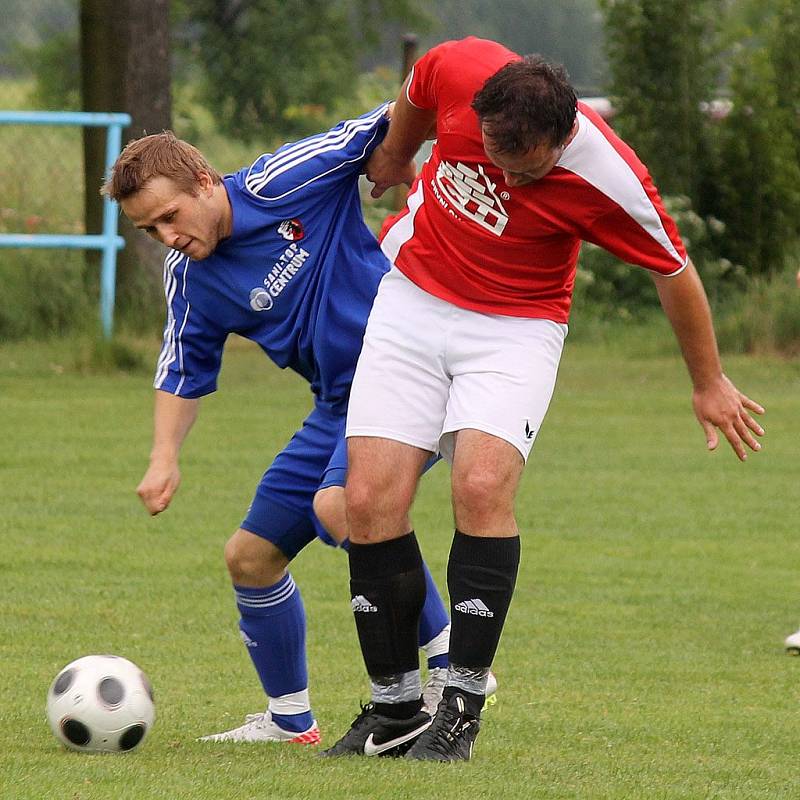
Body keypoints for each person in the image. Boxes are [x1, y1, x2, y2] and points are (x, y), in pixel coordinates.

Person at [322, 37, 765, 761]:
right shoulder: (465, 72)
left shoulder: (610, 177)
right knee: (367, 501)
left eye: (527, 169)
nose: (509, 178)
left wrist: (708, 380)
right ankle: (395, 707)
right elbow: (419, 83)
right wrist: (401, 154)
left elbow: (674, 271)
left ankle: (460, 707)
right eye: (496, 158)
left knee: (482, 483)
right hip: (413, 300)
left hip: (517, 327)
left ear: (565, 137)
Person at [101, 106, 460, 744]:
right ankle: (289, 720)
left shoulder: (285, 182)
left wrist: (406, 152)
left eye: (169, 216)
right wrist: (164, 458)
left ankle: (450, 667)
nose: (165, 235)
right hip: (339, 404)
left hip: (408, 374)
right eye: (148, 228)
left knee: (341, 508)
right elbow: (182, 369)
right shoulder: (191, 278)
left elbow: (392, 112)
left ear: (206, 182)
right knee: (251, 557)